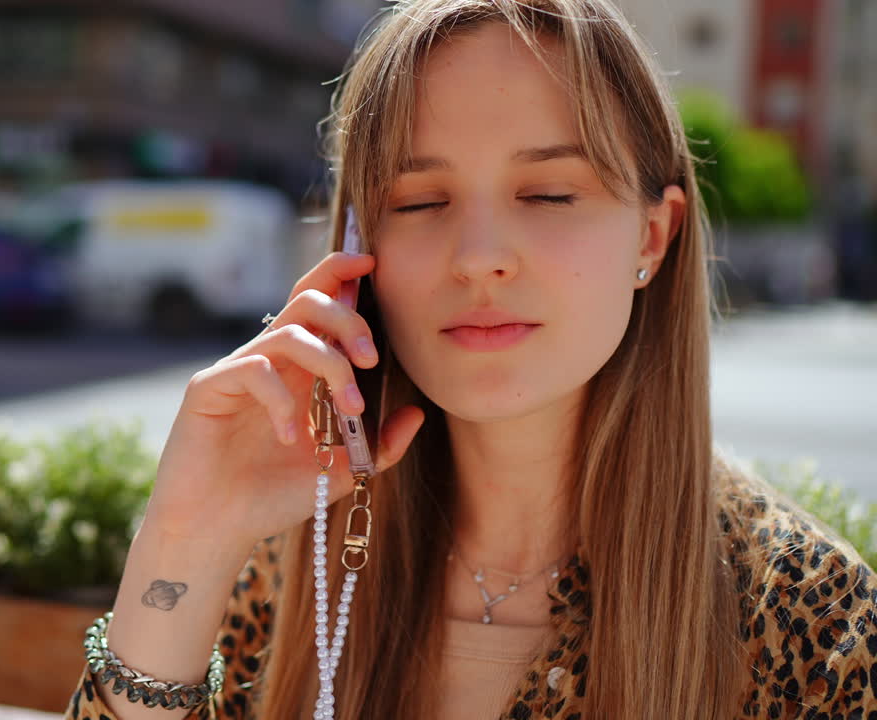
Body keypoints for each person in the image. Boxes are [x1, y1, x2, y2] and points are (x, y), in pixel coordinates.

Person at [66, 1, 877, 718]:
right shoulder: (297, 568)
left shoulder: (814, 621)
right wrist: (186, 538)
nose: (480, 257)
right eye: (420, 203)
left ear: (652, 237)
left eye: (549, 193)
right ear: (359, 247)